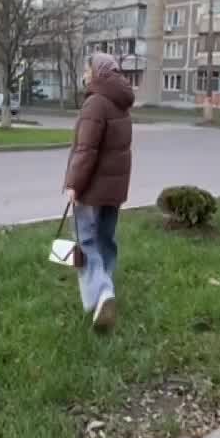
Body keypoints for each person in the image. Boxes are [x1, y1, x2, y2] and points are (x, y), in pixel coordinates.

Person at [63, 52, 134, 331]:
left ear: (98, 72)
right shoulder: (121, 103)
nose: (85, 73)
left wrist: (73, 184)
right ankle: (104, 294)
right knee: (105, 241)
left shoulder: (95, 102)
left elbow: (86, 150)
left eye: (87, 69)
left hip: (91, 189)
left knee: (85, 243)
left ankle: (102, 294)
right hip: (114, 190)